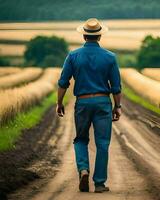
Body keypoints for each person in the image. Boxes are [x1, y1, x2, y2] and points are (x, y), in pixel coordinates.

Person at [56, 18, 122, 193]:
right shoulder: (110, 57)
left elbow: (63, 82)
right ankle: (99, 183)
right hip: (102, 102)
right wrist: (118, 106)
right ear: (99, 36)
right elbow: (116, 86)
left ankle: (83, 170)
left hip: (83, 102)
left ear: (84, 35)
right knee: (102, 143)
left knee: (81, 139)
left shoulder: (73, 56)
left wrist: (59, 103)